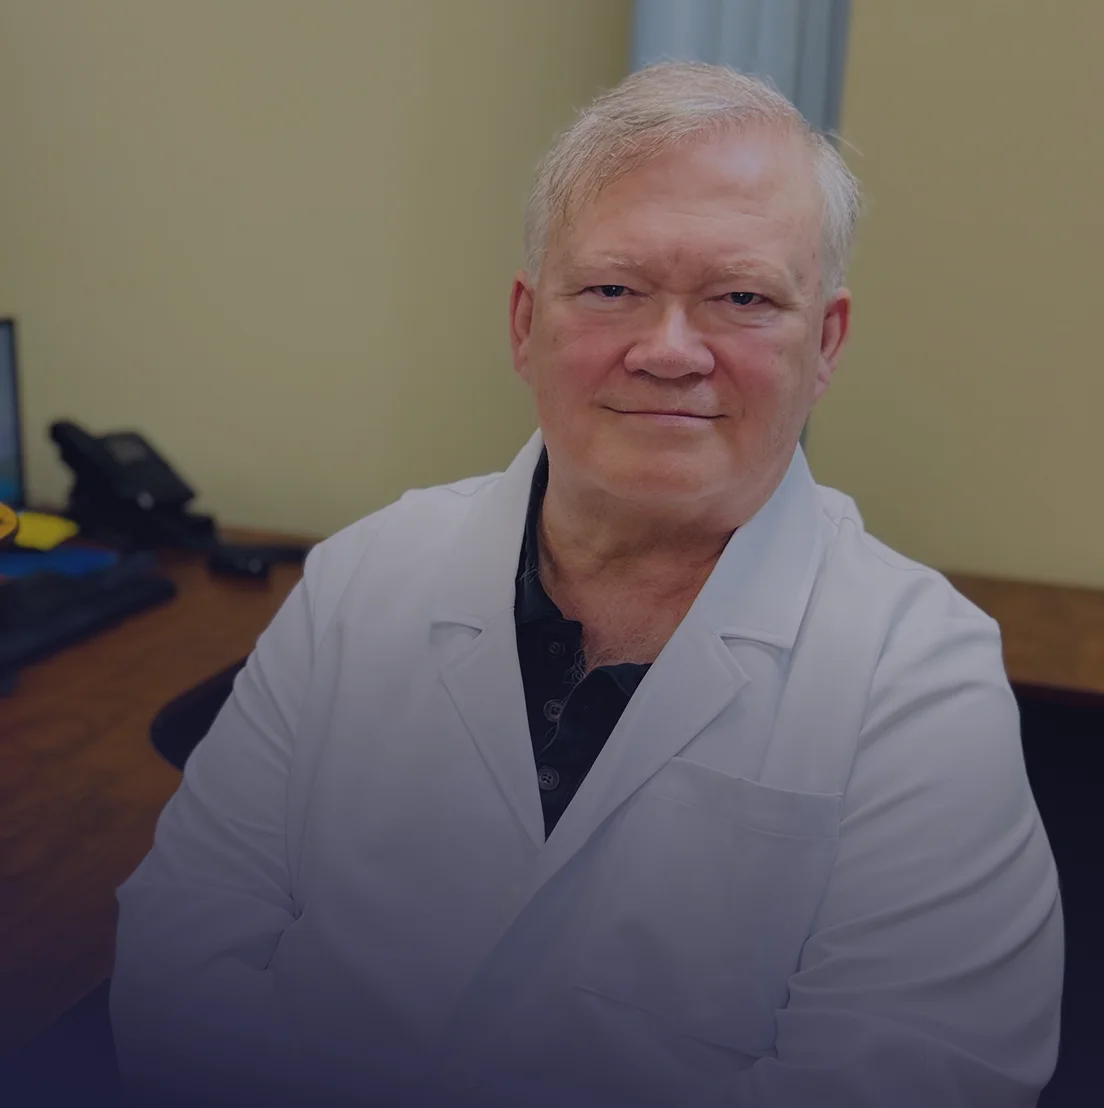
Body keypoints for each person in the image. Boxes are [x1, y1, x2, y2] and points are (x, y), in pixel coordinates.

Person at [110, 62, 1063, 1108]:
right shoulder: (363, 575)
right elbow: (183, 947)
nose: (670, 351)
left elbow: (922, 1074)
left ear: (825, 342)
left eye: (742, 298)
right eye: (613, 289)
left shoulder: (920, 676)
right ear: (526, 323)